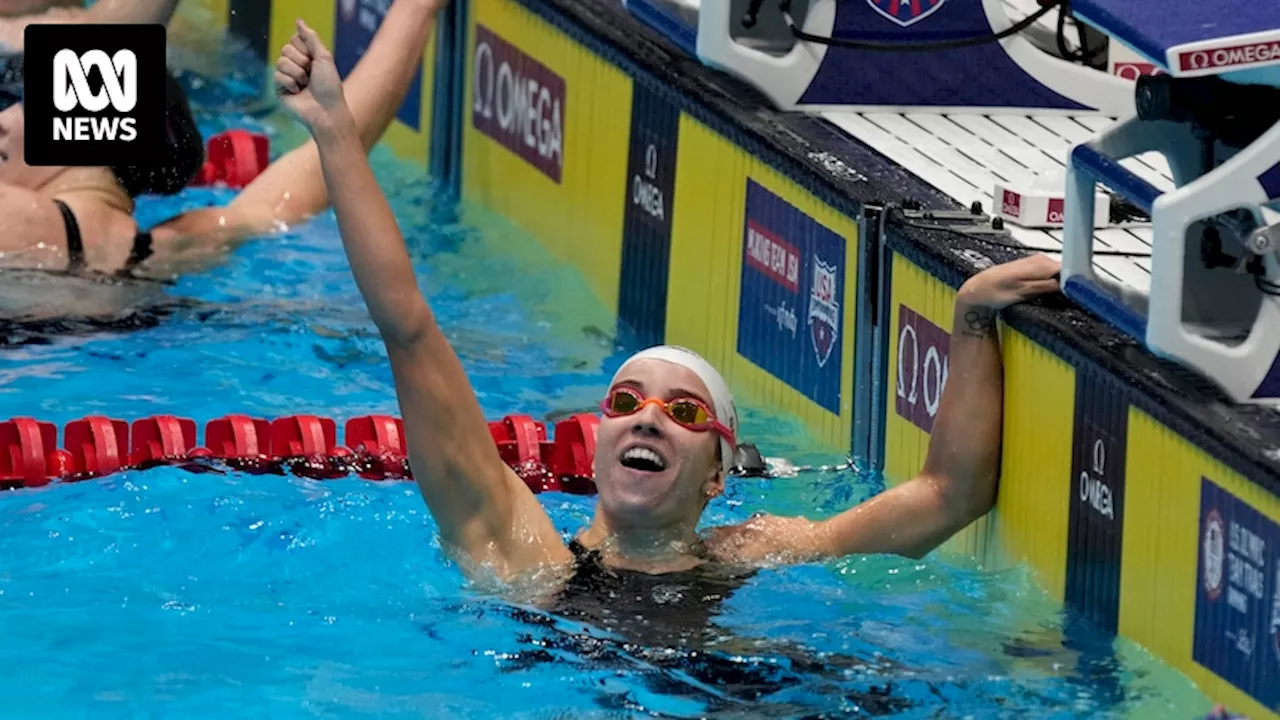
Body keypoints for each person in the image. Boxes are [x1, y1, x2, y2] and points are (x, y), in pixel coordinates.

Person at [276, 19, 1064, 584]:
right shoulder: (521, 550)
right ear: (593, 441)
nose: (648, 417)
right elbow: (408, 327)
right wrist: (335, 132)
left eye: (685, 413)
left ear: (717, 476)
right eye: (627, 402)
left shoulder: (761, 552)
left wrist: (970, 318)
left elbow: (946, 496)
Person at [0, 0, 445, 321]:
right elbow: (323, 161)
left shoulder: (17, 218)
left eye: (19, 104)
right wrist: (416, 10)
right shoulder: (168, 250)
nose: (2, 121)